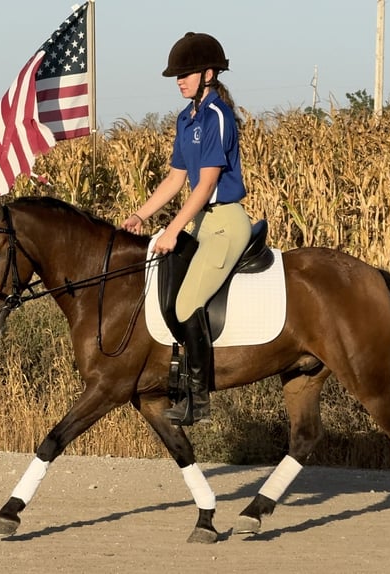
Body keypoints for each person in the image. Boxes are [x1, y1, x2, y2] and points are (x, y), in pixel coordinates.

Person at [121, 32, 252, 426]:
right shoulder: (186, 118)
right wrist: (141, 216)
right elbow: (176, 179)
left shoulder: (216, 116)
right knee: (163, 296)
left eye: (186, 74)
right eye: (176, 76)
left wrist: (173, 229)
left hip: (225, 223)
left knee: (184, 304)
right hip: (199, 222)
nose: (179, 80)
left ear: (208, 74)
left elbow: (208, 184)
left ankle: (198, 402)